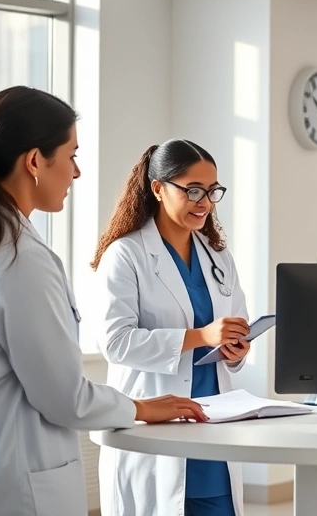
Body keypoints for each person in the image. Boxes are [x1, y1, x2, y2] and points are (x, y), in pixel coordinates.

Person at [0, 87, 207, 516]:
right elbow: (64, 398)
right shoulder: (19, 260)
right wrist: (141, 408)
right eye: (72, 155)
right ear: (34, 161)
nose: (77, 172)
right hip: (10, 493)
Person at [92, 139, 252, 516]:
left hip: (212, 429)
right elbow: (115, 342)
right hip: (155, 434)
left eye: (212, 191)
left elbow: (235, 325)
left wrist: (236, 350)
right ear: (158, 189)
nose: (205, 202)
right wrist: (201, 337)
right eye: (193, 190)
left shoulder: (218, 256)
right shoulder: (126, 254)